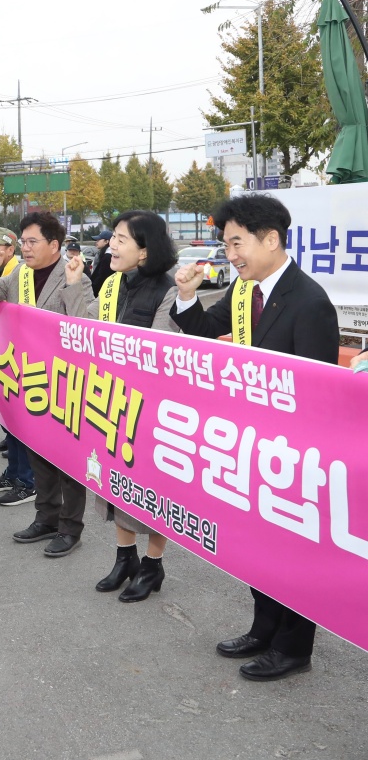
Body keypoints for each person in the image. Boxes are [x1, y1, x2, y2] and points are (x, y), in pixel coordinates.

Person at [171, 193, 339, 682]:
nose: (231, 255)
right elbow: (205, 329)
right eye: (226, 245)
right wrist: (186, 296)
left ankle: (292, 647)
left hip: (291, 453)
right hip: (251, 445)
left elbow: (317, 393)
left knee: (293, 554)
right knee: (260, 548)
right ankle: (263, 628)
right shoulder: (246, 292)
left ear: (271, 239)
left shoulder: (309, 301)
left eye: (237, 243)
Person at [78, 211, 179, 602]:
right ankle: (125, 558)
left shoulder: (167, 290)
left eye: (121, 239)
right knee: (115, 484)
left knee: (153, 489)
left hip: (149, 407)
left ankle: (153, 564)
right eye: (114, 237)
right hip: (111, 398)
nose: (112, 245)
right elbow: (84, 328)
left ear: (145, 250)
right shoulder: (111, 284)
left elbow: (160, 350)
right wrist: (76, 287)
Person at [0, 212, 94, 555]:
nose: (25, 248)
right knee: (39, 454)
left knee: (68, 461)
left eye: (32, 242)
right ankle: (46, 517)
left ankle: (71, 528)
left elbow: (86, 324)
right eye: (23, 241)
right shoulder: (19, 275)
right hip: (29, 378)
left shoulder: (75, 277)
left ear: (54, 245)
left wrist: (74, 287)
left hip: (65, 382)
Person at [0, 227, 36, 505]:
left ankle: (28, 480)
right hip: (8, 358)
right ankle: (14, 472)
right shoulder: (10, 273)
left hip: (35, 364)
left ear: (12, 249)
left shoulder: (24, 271)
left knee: (25, 426)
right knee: (10, 422)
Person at [89, 229, 114, 297]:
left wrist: (93, 291)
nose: (96, 242)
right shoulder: (105, 255)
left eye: (99, 240)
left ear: (106, 241)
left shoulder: (108, 257)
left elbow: (101, 278)